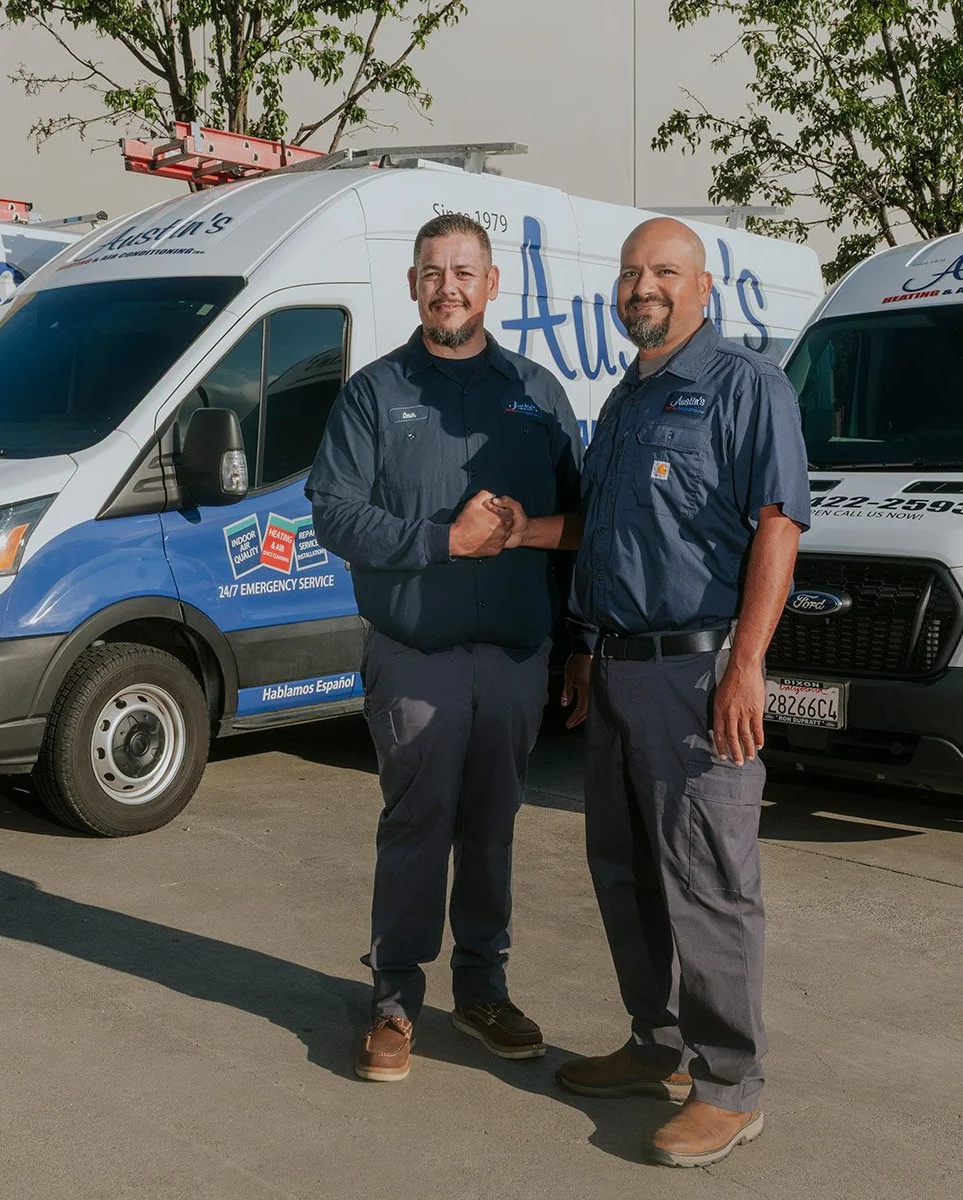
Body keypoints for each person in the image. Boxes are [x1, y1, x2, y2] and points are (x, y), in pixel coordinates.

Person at [553, 217, 809, 1166]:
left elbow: (779, 529)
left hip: (700, 673)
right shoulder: (624, 400)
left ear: (704, 287)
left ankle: (730, 1085)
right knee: (621, 869)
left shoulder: (749, 388)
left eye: (664, 271)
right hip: (619, 668)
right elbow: (613, 536)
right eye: (630, 273)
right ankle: (655, 1045)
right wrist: (584, 644)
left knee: (708, 881)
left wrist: (746, 663)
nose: (642, 286)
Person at [307, 212, 581, 1083]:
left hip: (513, 660)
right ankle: (393, 1001)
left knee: (493, 826)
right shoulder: (375, 393)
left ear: (493, 284)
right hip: (414, 656)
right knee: (417, 823)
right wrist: (443, 542)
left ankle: (483, 988)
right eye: (433, 271)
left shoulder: (536, 394)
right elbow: (333, 512)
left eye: (465, 271)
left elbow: (583, 526)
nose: (448, 286)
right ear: (414, 283)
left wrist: (577, 643)